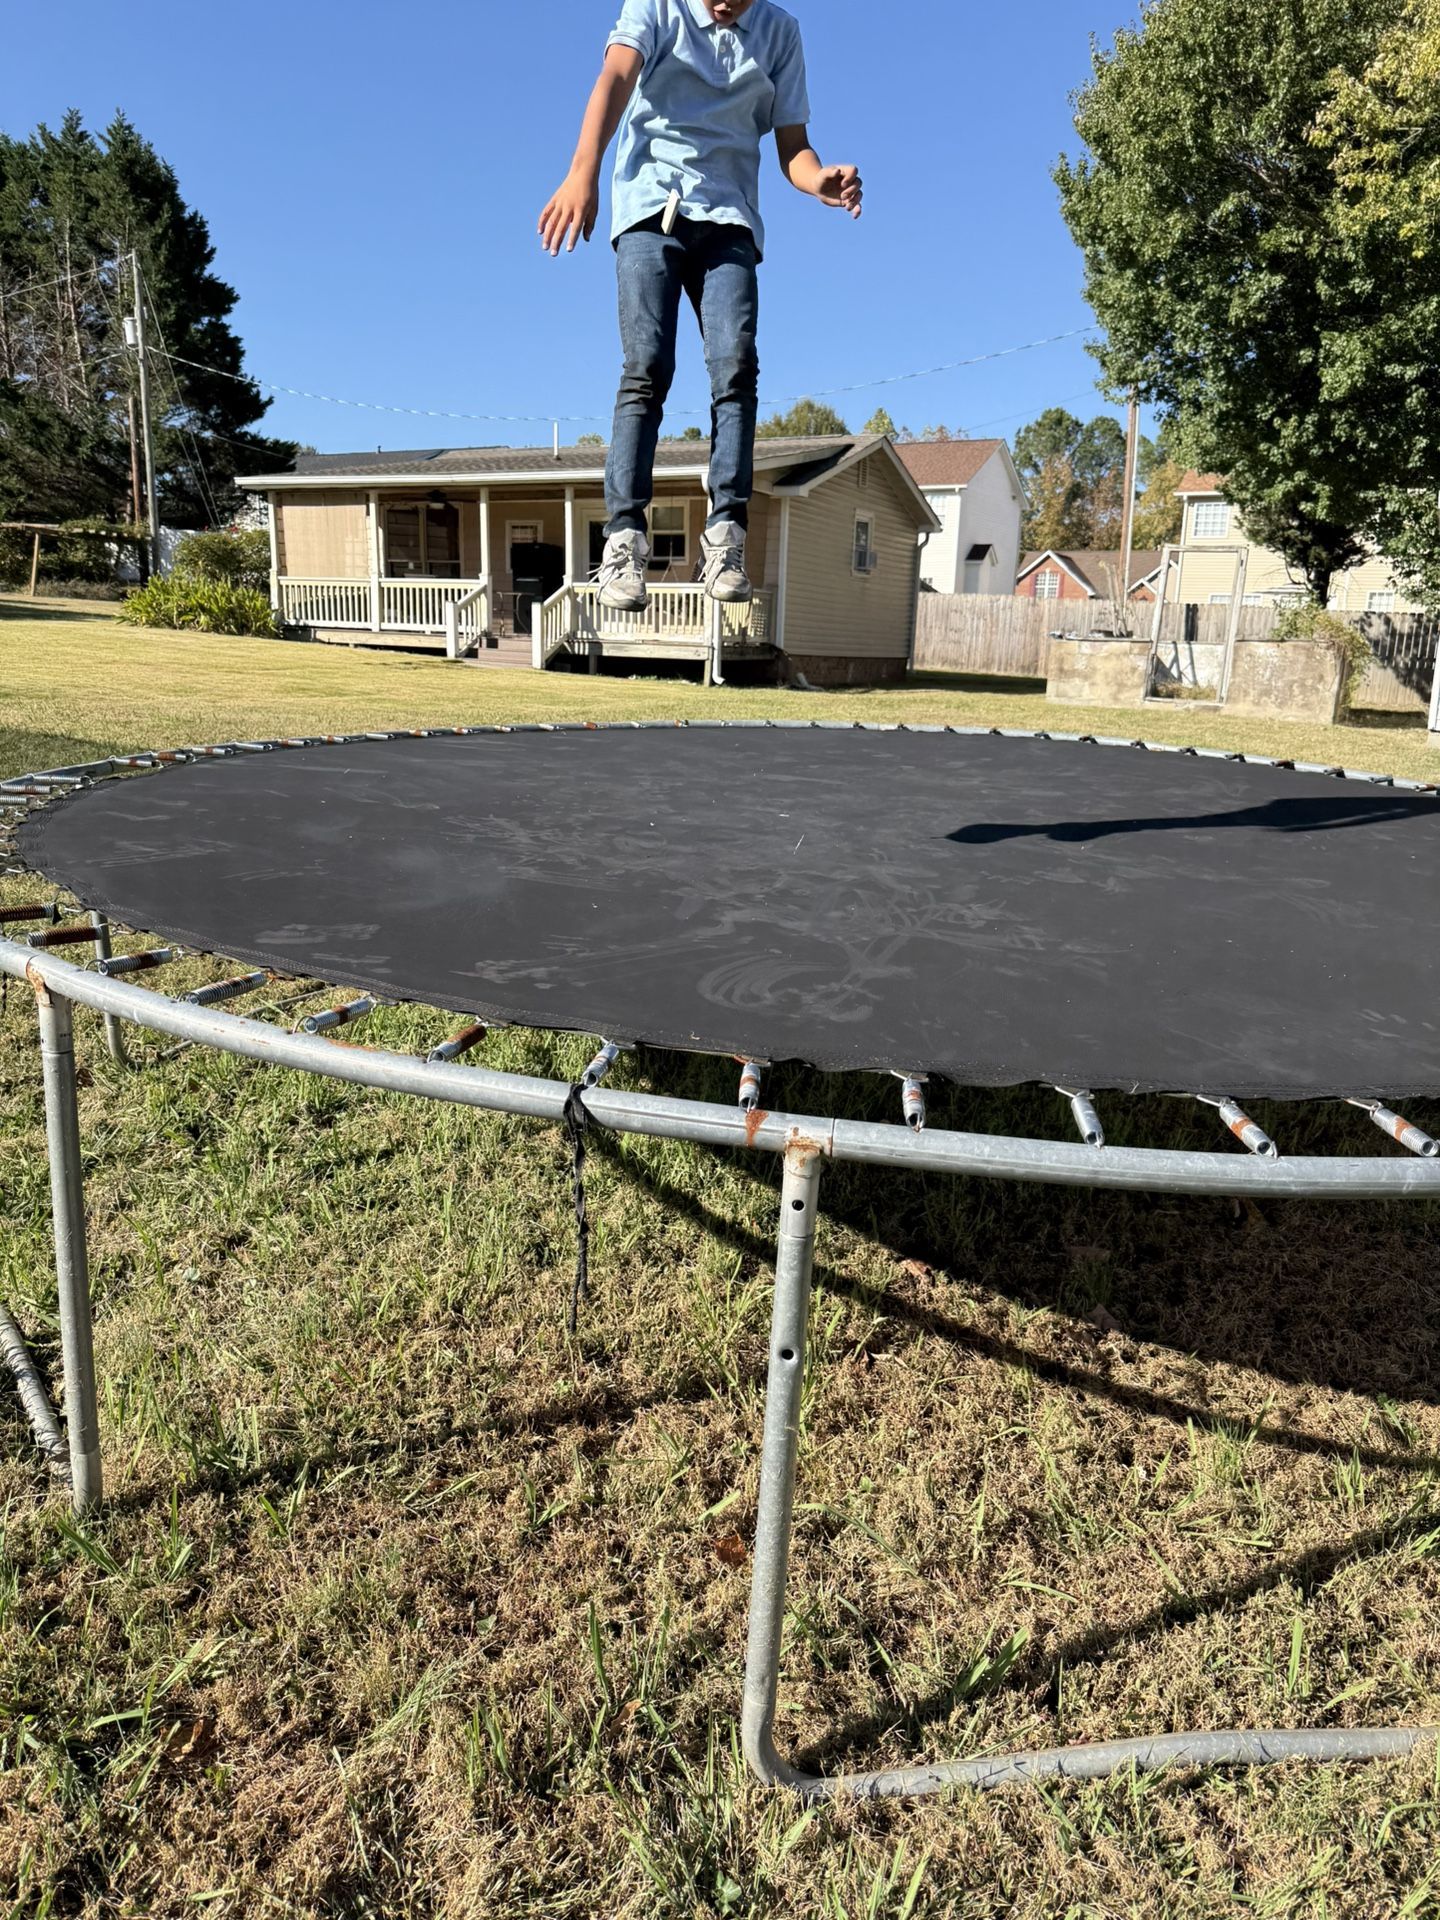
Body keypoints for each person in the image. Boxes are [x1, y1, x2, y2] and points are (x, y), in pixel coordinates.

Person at [539, 0, 862, 611]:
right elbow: (614, 77)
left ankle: (725, 538)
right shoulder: (656, 7)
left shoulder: (780, 33)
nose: (721, 6)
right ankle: (624, 539)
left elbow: (793, 143)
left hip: (729, 218)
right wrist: (583, 170)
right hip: (649, 209)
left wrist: (818, 179)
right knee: (647, 367)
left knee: (735, 367)